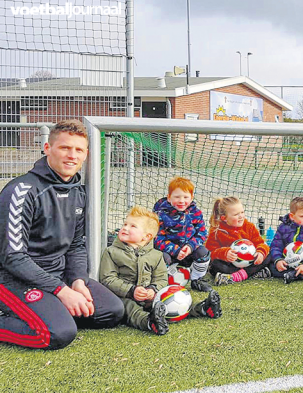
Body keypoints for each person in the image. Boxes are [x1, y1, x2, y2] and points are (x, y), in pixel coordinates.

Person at [0, 120, 123, 349]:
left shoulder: (79, 191)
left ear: (86, 154)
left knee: (112, 312)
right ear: (48, 148)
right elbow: (13, 257)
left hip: (58, 275)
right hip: (13, 278)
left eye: (78, 150)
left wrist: (77, 281)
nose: (71, 156)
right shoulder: (21, 191)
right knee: (57, 334)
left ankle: (51, 310)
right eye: (65, 148)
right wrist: (60, 291)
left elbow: (76, 245)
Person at [99, 206, 222, 332]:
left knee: (171, 299)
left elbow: (162, 278)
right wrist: (131, 290)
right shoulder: (111, 252)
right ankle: (149, 322)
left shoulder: (156, 255)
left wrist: (153, 289)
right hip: (124, 296)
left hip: (149, 296)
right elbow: (107, 279)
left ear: (147, 236)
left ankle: (202, 308)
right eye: (125, 224)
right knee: (129, 307)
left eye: (132, 226)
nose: (125, 228)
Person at [153, 177, 212, 292]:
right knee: (161, 258)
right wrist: (175, 250)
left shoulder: (195, 213)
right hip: (169, 253)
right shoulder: (160, 214)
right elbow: (157, 238)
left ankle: (197, 280)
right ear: (169, 197)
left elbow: (202, 234)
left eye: (185, 197)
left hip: (188, 251)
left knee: (203, 253)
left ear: (191, 198)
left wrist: (190, 247)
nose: (181, 201)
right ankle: (162, 284)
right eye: (177, 197)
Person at [206, 196, 272, 286]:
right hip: (231, 265)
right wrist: (224, 253)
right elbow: (211, 252)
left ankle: (237, 276)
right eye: (236, 214)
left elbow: (260, 243)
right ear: (224, 218)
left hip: (250, 262)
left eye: (242, 212)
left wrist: (260, 253)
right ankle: (254, 273)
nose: (241, 216)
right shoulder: (216, 231)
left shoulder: (249, 227)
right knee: (215, 265)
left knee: (268, 254)